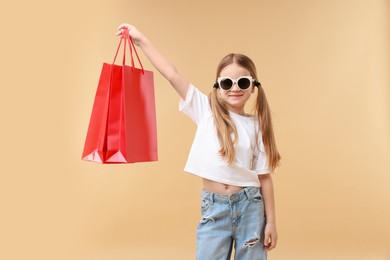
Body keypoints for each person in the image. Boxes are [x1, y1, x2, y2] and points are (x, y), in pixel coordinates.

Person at [116, 23, 281, 260]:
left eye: (242, 82)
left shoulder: (257, 125)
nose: (235, 88)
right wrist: (141, 41)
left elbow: (265, 177)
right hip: (214, 209)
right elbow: (172, 74)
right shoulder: (205, 110)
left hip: (251, 207)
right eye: (227, 83)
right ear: (217, 86)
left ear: (253, 87)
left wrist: (271, 223)